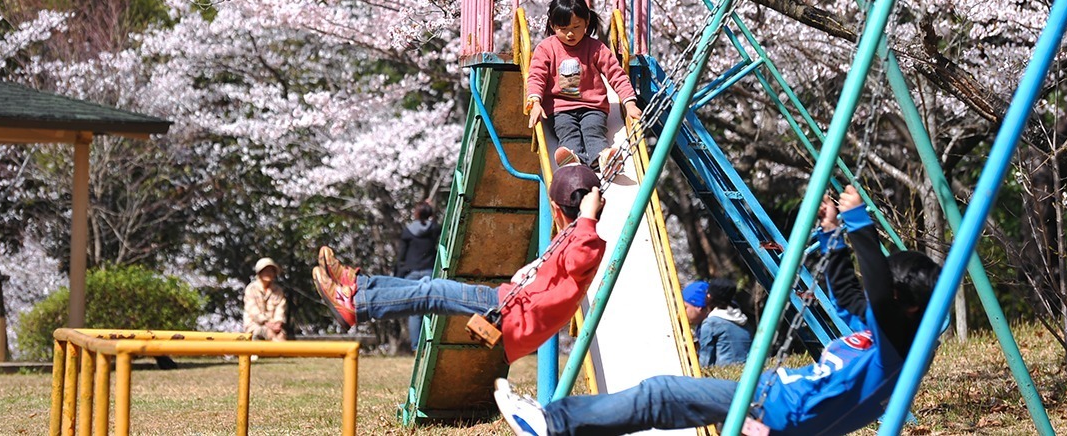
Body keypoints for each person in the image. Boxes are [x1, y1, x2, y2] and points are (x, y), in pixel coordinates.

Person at [494, 184, 941, 436]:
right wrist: (831, 235)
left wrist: (861, 223)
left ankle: (552, 424)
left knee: (661, 394)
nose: (876, 296)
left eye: (889, 296)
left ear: (910, 306)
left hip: (779, 409)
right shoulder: (885, 332)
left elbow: (878, 294)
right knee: (666, 406)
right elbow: (850, 295)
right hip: (774, 402)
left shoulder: (897, 349)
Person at [313, 164, 606, 364]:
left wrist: (588, 218)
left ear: (555, 208)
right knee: (427, 288)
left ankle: (358, 304)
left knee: (431, 292)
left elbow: (581, 256)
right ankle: (359, 287)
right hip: (509, 303)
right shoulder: (574, 234)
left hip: (510, 311)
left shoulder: (586, 240)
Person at [525, 0, 643, 170]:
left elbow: (616, 74)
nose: (570, 34)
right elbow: (537, 75)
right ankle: (574, 159)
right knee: (568, 132)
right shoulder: (546, 48)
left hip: (592, 106)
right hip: (559, 109)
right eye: (563, 29)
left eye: (576, 27)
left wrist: (630, 103)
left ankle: (602, 158)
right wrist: (535, 100)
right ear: (552, 26)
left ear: (587, 22)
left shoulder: (596, 48)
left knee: (593, 131)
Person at [397, 200, 441, 351]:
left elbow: (401, 256)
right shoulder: (433, 229)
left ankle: (416, 347)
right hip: (429, 271)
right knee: (431, 310)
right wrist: (431, 211)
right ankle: (430, 344)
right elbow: (437, 226)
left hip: (412, 273)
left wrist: (398, 274)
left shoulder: (408, 231)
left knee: (415, 312)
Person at [693, 278, 752, 367]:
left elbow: (705, 363)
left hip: (724, 378)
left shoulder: (711, 324)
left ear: (709, 296)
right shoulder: (744, 321)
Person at [244, 257, 288, 342]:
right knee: (266, 332)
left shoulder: (278, 290)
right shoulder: (251, 289)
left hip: (274, 326)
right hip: (254, 325)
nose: (269, 273)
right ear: (259, 272)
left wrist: (278, 323)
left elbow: (281, 308)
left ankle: (282, 353)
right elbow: (253, 311)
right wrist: (267, 323)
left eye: (271, 271)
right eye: (266, 271)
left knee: (281, 335)